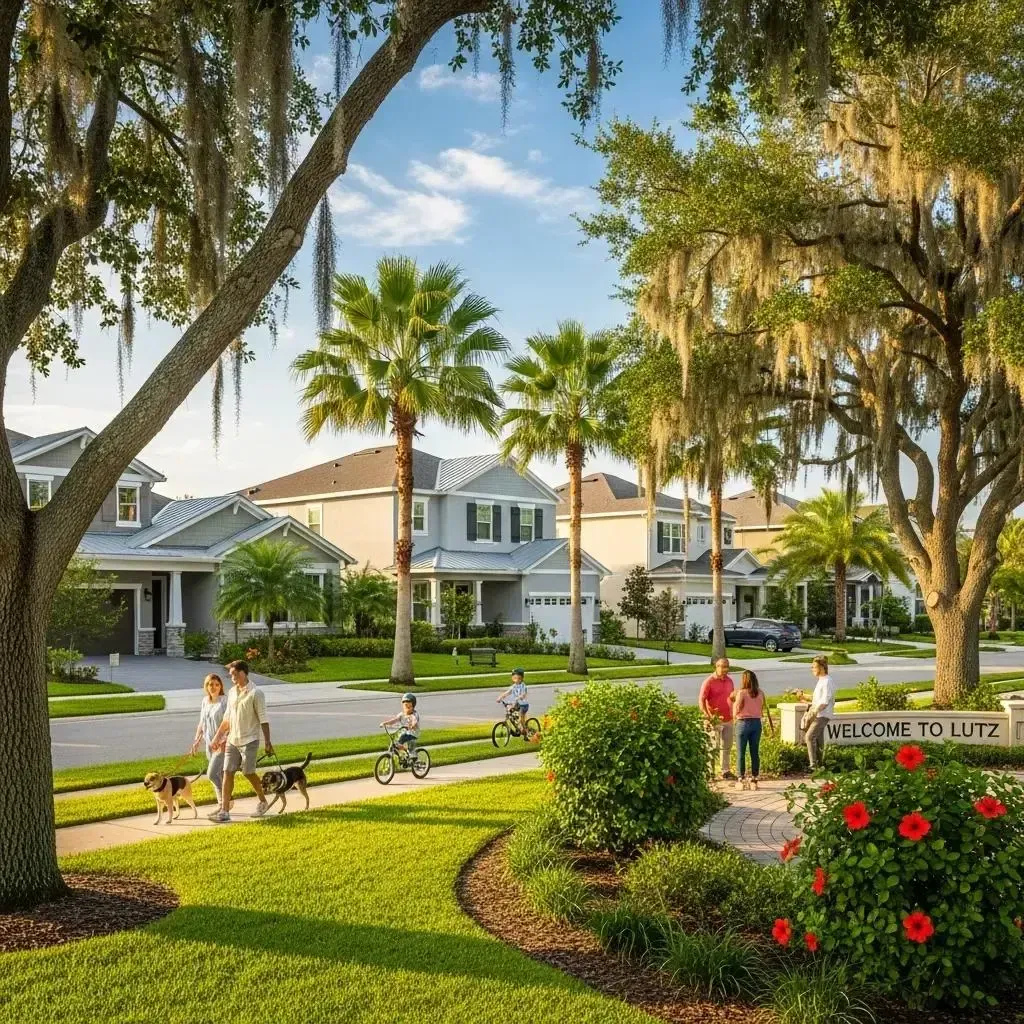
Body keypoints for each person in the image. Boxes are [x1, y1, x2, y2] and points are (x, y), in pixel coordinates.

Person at [207, 660, 273, 822]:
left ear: (244, 673)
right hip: (232, 740)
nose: (232, 678)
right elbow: (227, 718)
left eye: (235, 674)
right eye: (231, 675)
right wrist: (217, 737)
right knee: (227, 772)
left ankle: (263, 801)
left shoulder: (256, 693)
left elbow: (263, 719)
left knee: (248, 772)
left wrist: (268, 742)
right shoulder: (231, 692)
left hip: (250, 740)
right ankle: (224, 811)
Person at [190, 673, 228, 808]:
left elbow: (229, 723)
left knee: (212, 774)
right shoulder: (205, 701)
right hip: (209, 744)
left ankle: (226, 802)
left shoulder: (224, 701)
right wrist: (196, 740)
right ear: (206, 686)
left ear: (221, 686)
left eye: (217, 684)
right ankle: (223, 805)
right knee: (219, 775)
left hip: (222, 744)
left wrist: (223, 741)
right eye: (210, 684)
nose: (214, 687)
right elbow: (202, 722)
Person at [732, 669, 775, 790]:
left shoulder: (741, 693)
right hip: (756, 723)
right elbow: (761, 708)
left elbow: (735, 711)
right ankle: (754, 778)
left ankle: (741, 778)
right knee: (754, 752)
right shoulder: (761, 693)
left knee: (741, 752)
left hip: (743, 723)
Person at [699, 657, 736, 780]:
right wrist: (707, 716)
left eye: (727, 667)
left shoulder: (730, 681)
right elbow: (701, 700)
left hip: (728, 718)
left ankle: (725, 770)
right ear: (717, 667)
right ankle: (710, 772)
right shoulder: (709, 681)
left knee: (727, 746)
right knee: (713, 746)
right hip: (714, 718)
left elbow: (732, 698)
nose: (725, 669)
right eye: (723, 667)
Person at [803, 655, 836, 770]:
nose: (812, 670)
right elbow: (816, 698)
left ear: (822, 667)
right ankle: (820, 764)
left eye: (814, 667)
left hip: (822, 715)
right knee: (818, 739)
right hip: (818, 714)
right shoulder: (821, 681)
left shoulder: (827, 681)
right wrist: (802, 696)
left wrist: (815, 710)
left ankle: (813, 765)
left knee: (809, 737)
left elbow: (825, 701)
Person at [496, 668, 529, 737]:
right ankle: (517, 728)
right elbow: (507, 693)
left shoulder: (523, 686)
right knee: (510, 711)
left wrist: (519, 697)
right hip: (516, 703)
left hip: (523, 705)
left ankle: (525, 731)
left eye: (518, 678)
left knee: (521, 717)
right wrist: (500, 697)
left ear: (521, 678)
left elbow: (524, 694)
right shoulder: (513, 686)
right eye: (514, 678)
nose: (516, 679)